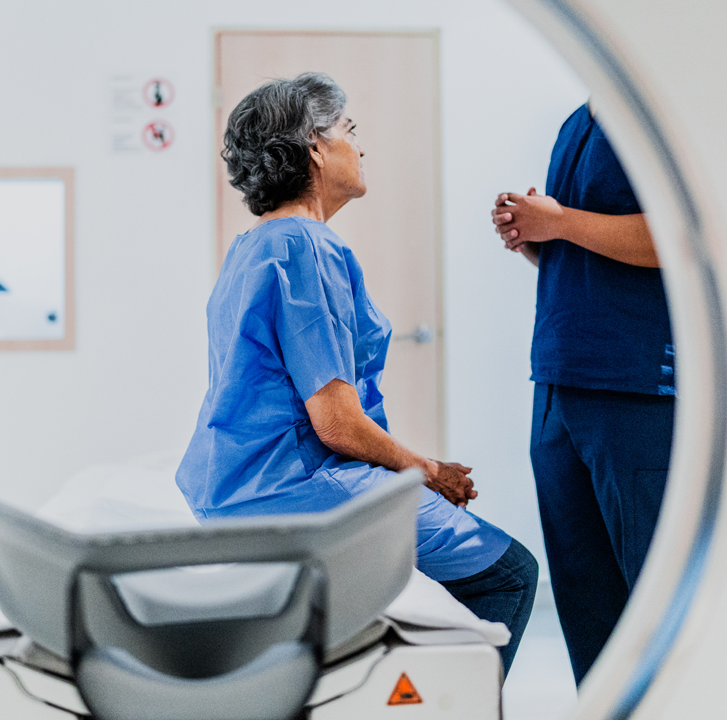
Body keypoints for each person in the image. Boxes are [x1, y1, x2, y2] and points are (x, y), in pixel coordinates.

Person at [177, 73, 538, 676]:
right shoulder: (305, 247)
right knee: (509, 574)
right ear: (314, 147)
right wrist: (428, 471)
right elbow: (337, 423)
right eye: (348, 130)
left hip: (229, 490)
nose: (360, 146)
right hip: (296, 489)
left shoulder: (252, 246)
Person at [490, 100, 675, 685]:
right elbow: (584, 252)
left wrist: (562, 221)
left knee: (653, 601)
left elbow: (674, 238)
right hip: (557, 384)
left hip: (634, 390)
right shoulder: (578, 121)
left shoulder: (660, 109)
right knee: (584, 598)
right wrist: (533, 237)